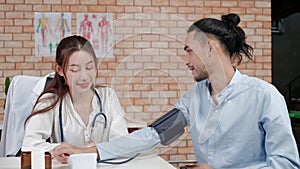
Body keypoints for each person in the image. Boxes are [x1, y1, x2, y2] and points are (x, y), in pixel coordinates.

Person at [52, 14, 300, 168]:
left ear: (210, 48)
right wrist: (88, 152)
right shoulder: (194, 99)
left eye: (189, 50)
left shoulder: (264, 96)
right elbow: (153, 135)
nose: (186, 60)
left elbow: (286, 164)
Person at [22, 35, 128, 153]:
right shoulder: (50, 101)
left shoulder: (108, 96)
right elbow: (29, 145)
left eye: (89, 67)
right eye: (75, 70)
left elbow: (122, 144)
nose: (84, 77)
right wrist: (63, 150)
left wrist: (77, 150)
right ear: (60, 70)